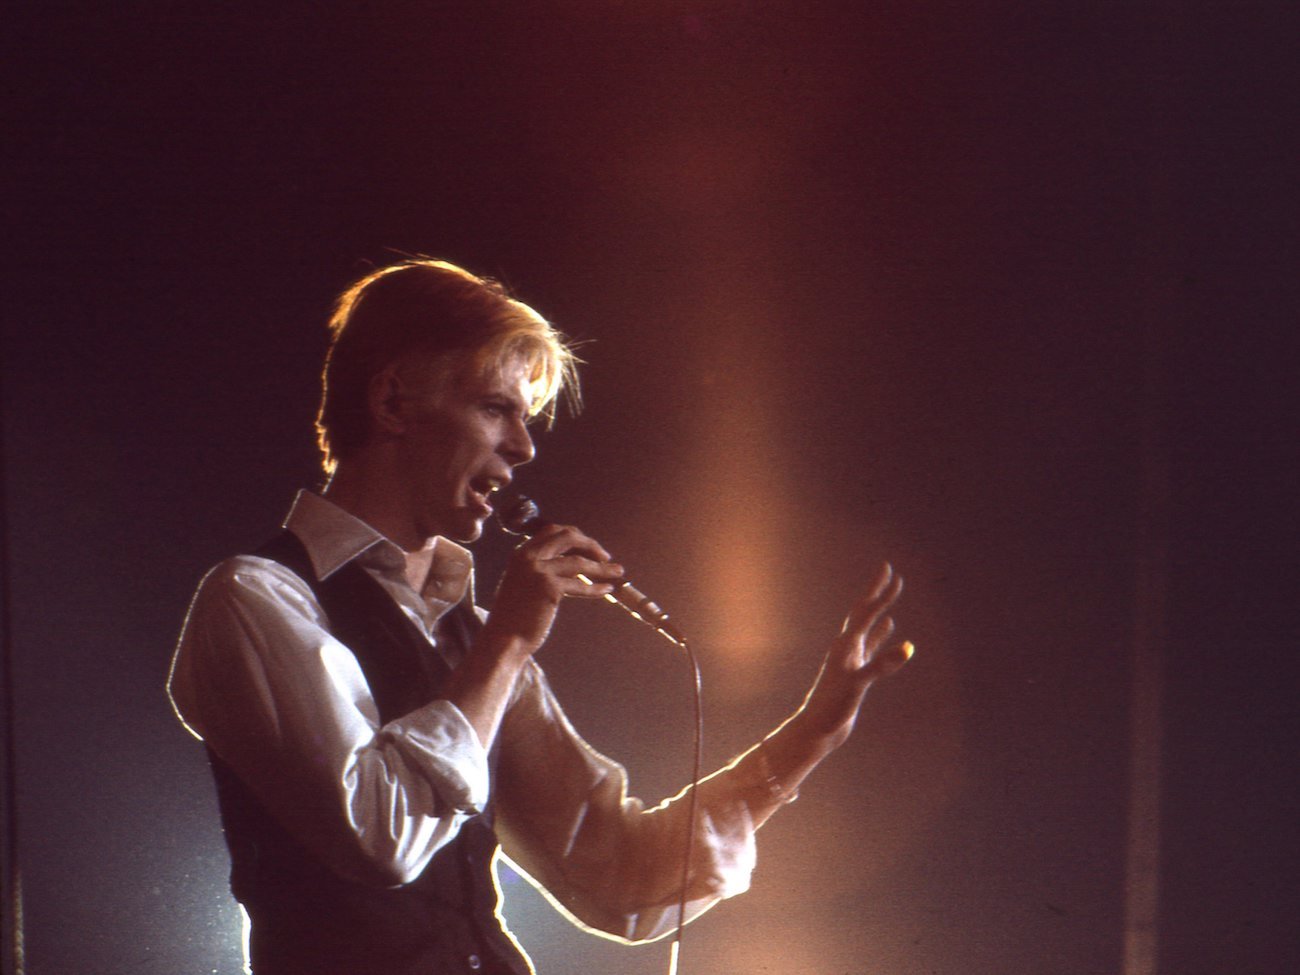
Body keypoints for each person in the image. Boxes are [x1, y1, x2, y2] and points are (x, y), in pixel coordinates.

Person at [167, 258, 913, 975]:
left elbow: (616, 869)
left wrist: (812, 732)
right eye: (496, 409)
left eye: (525, 420)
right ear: (393, 402)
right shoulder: (256, 597)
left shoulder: (476, 634)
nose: (523, 447)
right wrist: (509, 641)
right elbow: (378, 833)